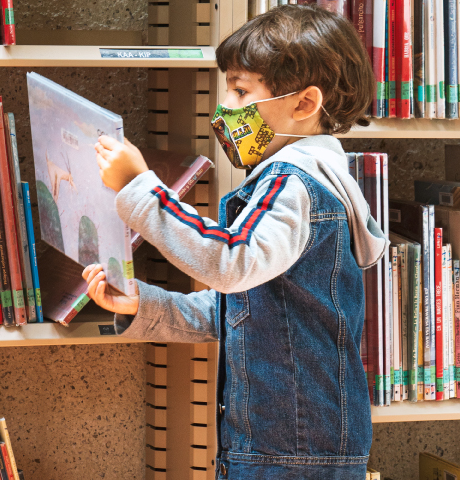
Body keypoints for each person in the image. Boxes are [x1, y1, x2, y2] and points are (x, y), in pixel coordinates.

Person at [83, 4, 387, 479]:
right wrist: (144, 305)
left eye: (241, 90)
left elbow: (230, 262)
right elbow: (249, 313)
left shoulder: (293, 186)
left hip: (290, 446)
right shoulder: (307, 180)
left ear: (304, 104)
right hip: (286, 442)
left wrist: (139, 188)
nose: (225, 106)